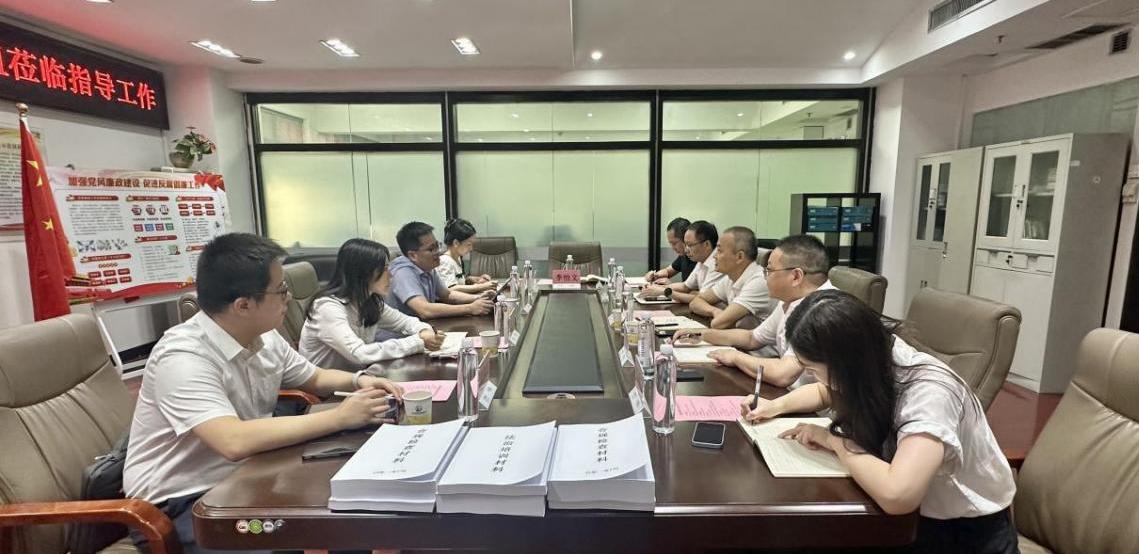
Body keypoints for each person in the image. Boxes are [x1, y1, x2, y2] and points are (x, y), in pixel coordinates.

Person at [124, 233, 405, 554]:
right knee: (290, 535)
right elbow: (233, 440)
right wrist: (340, 416)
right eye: (281, 290)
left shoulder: (265, 337)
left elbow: (315, 377)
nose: (289, 297)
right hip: (183, 501)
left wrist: (360, 380)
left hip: (249, 476)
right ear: (243, 305)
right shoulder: (183, 356)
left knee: (349, 521)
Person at [739, 290, 1017, 553]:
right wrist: (775, 406)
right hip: (902, 517)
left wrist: (834, 441)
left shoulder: (930, 392)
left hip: (960, 532)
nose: (810, 376)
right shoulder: (873, 358)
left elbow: (898, 495)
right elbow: (826, 391)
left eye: (811, 369)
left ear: (845, 363)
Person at [676, 234, 833, 387]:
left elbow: (782, 374)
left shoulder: (823, 310)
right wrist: (700, 335)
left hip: (811, 402)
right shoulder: (791, 300)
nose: (765, 277)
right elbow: (752, 338)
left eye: (769, 270)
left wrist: (735, 357)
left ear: (796, 276)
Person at [299, 238, 446, 371]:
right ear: (362, 273)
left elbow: (405, 322)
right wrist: (418, 341)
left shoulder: (369, 301)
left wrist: (424, 331)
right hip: (329, 390)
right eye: (384, 269)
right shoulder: (327, 308)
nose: (391, 274)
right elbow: (359, 354)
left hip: (359, 378)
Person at [386, 221, 495, 319]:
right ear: (413, 255)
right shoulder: (402, 273)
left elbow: (447, 295)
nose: (438, 252)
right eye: (431, 249)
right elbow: (424, 310)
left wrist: (479, 297)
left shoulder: (427, 266)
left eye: (437, 245)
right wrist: (470, 308)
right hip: (401, 334)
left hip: (423, 328)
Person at [688, 226, 773, 329]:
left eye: (719, 251)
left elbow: (718, 323)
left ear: (739, 257)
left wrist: (720, 316)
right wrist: (714, 311)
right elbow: (695, 302)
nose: (714, 256)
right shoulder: (730, 278)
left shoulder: (758, 281)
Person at [641, 220, 724, 304]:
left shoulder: (718, 264)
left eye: (690, 245)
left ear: (706, 245)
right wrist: (656, 287)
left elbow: (703, 299)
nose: (686, 250)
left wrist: (665, 291)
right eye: (686, 245)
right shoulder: (701, 260)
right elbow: (685, 286)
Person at [437, 218, 496, 294]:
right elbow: (451, 289)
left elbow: (457, 281)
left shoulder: (457, 258)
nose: (471, 249)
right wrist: (481, 286)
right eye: (469, 244)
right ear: (456, 243)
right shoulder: (445, 261)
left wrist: (473, 279)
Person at [644, 217, 695, 283]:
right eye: (670, 243)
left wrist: (670, 286)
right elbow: (668, 271)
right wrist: (655, 275)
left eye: (674, 243)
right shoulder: (684, 255)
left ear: (686, 238)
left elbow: (691, 288)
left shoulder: (699, 259)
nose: (672, 247)